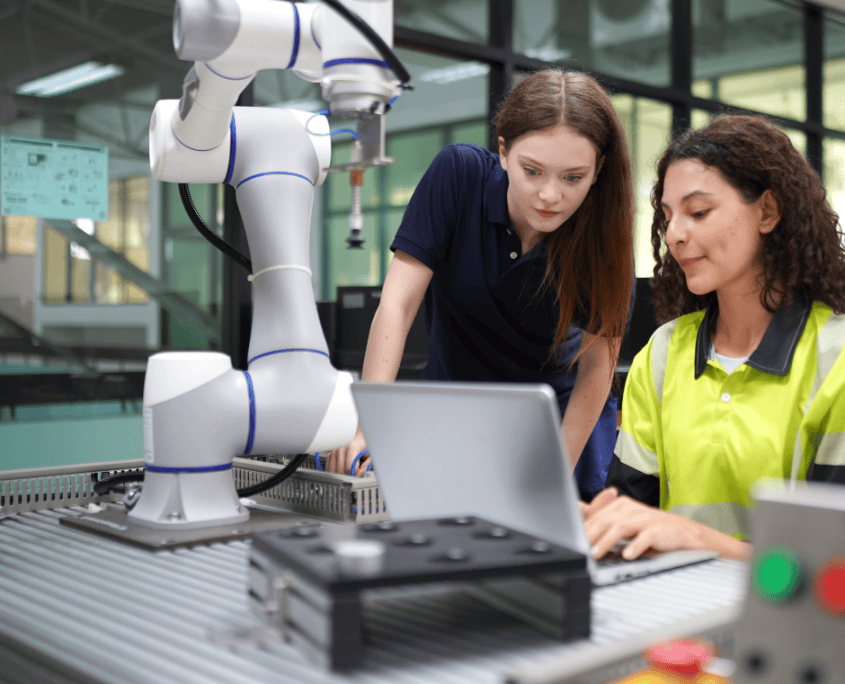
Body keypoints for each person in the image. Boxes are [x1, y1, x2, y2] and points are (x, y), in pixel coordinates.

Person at [325, 68, 636, 501]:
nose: (550, 195)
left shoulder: (602, 236)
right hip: (451, 412)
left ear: (598, 169)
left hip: (553, 425)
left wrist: (553, 475)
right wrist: (366, 426)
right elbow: (397, 303)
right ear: (504, 152)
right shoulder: (459, 176)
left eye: (572, 178)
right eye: (533, 171)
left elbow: (596, 371)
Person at [582, 114, 845, 562]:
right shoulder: (662, 353)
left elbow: (830, 568)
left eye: (699, 212)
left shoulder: (834, 356)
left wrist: (697, 539)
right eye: (667, 217)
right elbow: (634, 520)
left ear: (767, 211)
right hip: (670, 617)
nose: (676, 234)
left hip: (792, 628)